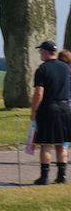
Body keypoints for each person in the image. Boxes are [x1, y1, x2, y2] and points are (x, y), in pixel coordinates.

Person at [30, 40, 71, 185]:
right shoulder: (66, 68)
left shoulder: (42, 69)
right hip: (65, 108)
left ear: (46, 52)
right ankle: (62, 175)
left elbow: (39, 93)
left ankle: (44, 176)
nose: (40, 53)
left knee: (46, 144)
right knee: (61, 143)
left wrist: (34, 110)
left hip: (49, 108)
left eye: (41, 51)